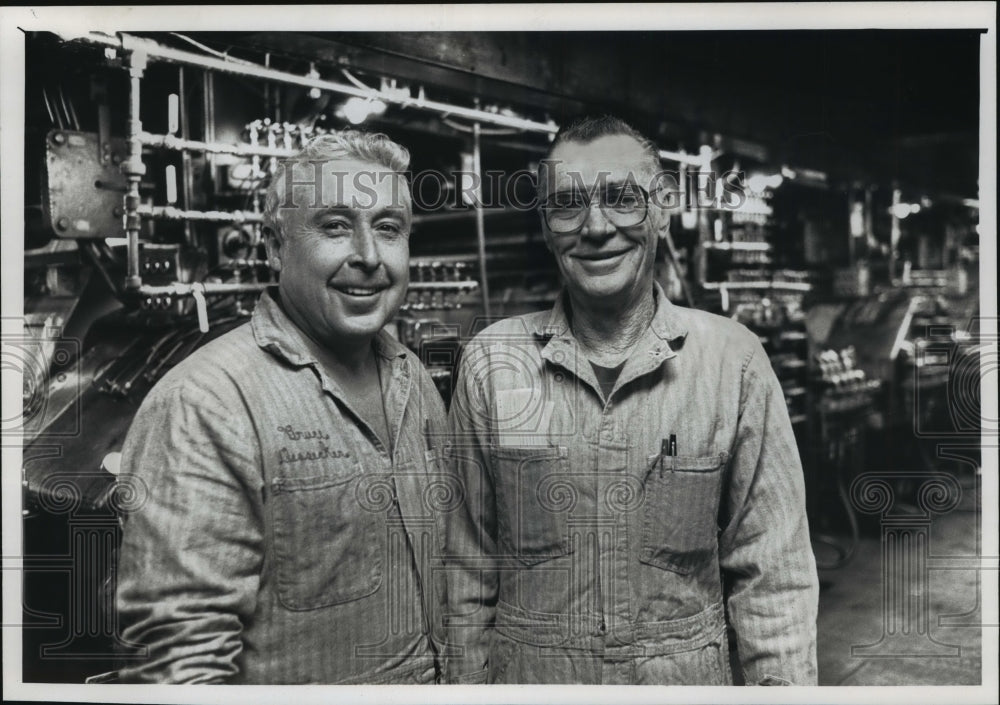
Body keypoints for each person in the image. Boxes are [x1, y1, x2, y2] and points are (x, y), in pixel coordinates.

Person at [442, 116, 818, 685]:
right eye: (568, 205)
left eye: (622, 198)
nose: (596, 226)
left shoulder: (730, 363)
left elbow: (774, 578)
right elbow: (466, 573)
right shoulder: (493, 365)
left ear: (663, 208)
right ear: (546, 225)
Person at [116, 131, 448, 684]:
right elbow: (182, 668)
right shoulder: (205, 405)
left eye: (388, 228)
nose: (367, 256)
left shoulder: (412, 379)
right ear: (274, 246)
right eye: (335, 226)